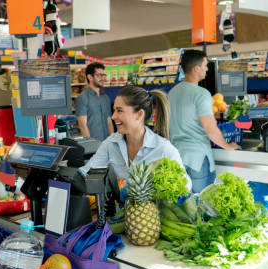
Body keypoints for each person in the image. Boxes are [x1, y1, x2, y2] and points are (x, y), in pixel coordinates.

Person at [80, 85, 191, 191]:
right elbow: (86, 172)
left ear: (139, 114)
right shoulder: (110, 143)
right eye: (114, 110)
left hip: (152, 210)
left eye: (119, 110)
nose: (113, 116)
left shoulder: (163, 149)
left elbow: (185, 186)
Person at [169, 49, 241, 193]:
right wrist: (227, 146)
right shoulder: (201, 94)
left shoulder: (172, 93)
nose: (207, 69)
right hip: (198, 159)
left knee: (184, 207)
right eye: (205, 65)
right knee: (202, 205)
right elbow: (210, 128)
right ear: (196, 68)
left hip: (177, 157)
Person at [75, 62, 113, 141]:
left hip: (106, 144)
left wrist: (112, 142)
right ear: (90, 77)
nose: (102, 78)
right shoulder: (82, 98)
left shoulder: (106, 98)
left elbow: (109, 122)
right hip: (93, 146)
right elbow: (83, 125)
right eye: (99, 75)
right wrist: (91, 145)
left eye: (103, 75)